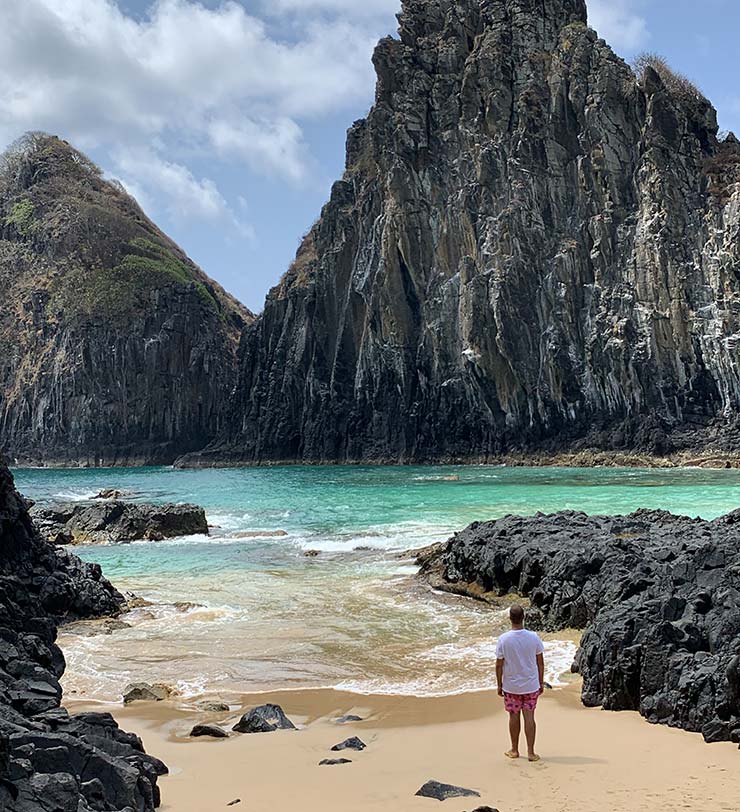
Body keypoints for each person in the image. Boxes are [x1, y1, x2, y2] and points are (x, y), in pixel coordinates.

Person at [495, 604, 545, 762]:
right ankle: (531, 752)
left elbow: (499, 664)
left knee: (513, 717)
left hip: (511, 686)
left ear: (510, 618)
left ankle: (514, 750)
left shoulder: (503, 639)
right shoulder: (534, 637)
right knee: (530, 718)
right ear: (524, 617)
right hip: (531, 685)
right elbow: (540, 662)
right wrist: (540, 682)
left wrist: (499, 684)